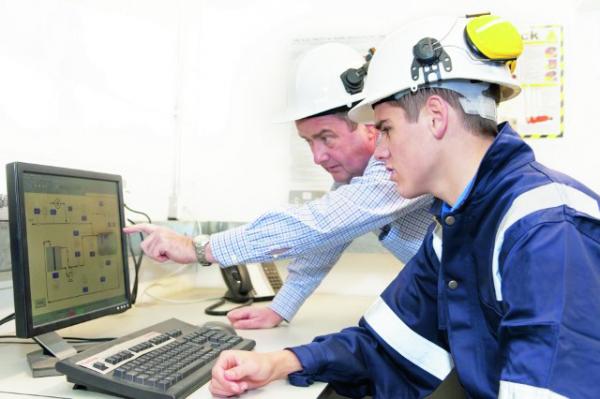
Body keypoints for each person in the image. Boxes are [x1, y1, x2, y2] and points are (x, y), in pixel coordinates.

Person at [209, 15, 600, 398]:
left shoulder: (547, 231)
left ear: (435, 117)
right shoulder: (455, 229)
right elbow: (382, 346)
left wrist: (200, 249)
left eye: (386, 130)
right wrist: (283, 362)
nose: (378, 151)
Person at [124, 43, 433, 329]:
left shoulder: (397, 166)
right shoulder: (360, 181)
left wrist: (197, 248)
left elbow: (318, 225)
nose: (317, 157)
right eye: (308, 142)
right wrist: (280, 308)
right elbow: (325, 241)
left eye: (326, 137)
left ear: (368, 125)